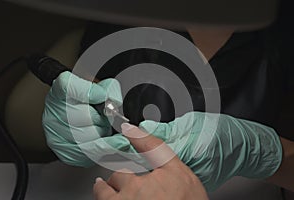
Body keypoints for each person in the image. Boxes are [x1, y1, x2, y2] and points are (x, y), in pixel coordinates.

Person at [41, 1, 294, 199]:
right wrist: (81, 123)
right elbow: (90, 89)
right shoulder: (123, 13)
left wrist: (261, 152)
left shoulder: (280, 28)